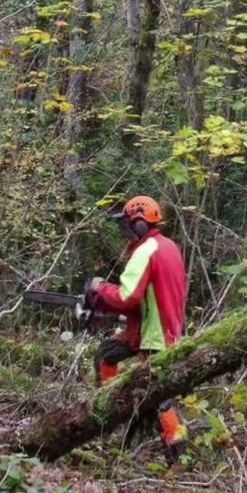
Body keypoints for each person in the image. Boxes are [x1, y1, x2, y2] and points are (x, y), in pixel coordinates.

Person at [83, 194, 190, 462]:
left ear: (140, 224)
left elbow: (128, 296)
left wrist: (99, 289)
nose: (126, 231)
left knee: (158, 398)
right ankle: (107, 416)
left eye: (129, 224)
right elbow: (145, 297)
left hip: (154, 334)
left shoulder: (147, 250)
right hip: (156, 327)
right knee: (107, 354)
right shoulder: (169, 247)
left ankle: (178, 456)